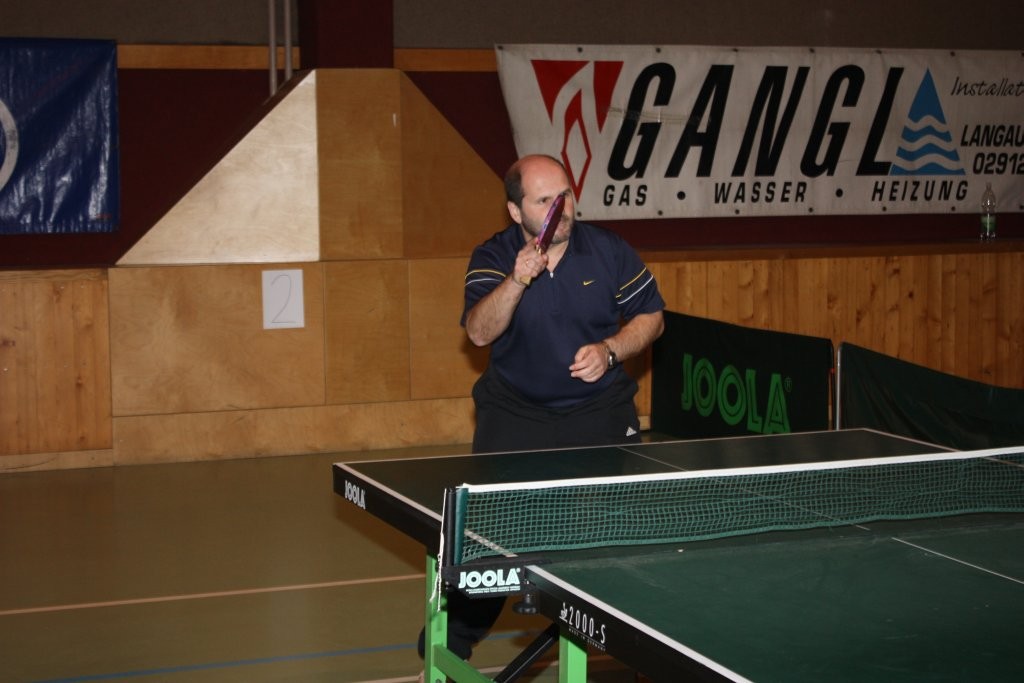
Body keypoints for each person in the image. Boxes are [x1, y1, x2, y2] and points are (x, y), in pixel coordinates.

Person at [418, 154, 665, 665]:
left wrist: (611, 350)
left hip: (598, 409)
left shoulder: (607, 250)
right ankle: (448, 652)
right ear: (516, 211)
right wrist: (516, 279)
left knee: (616, 536)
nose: (561, 209)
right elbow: (479, 333)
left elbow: (651, 317)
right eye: (544, 200)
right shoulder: (494, 255)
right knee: (488, 540)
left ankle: (632, 650)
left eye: (565, 195)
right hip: (516, 412)